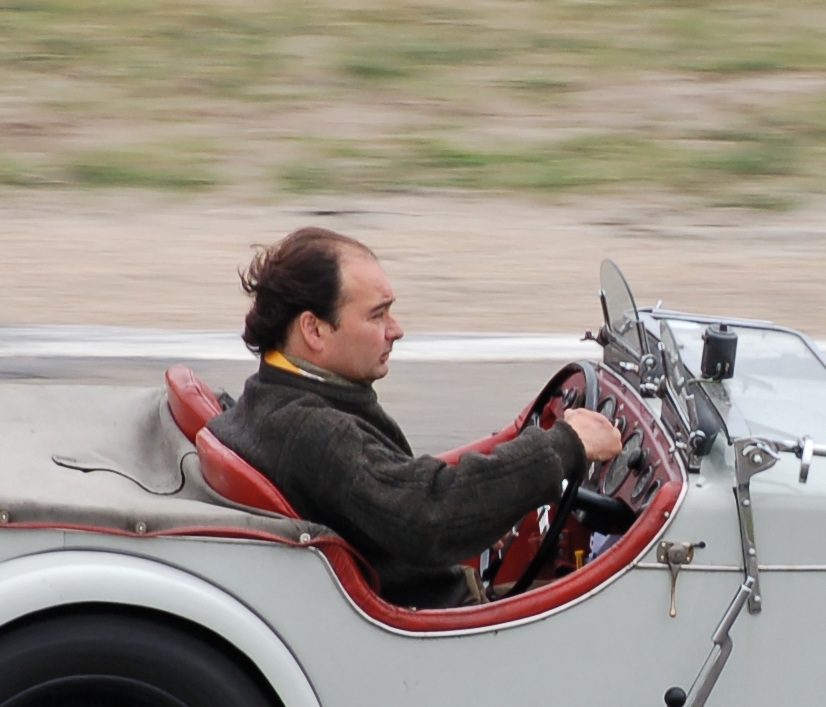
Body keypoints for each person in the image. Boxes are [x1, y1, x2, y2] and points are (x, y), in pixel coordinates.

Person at [210, 227, 624, 608]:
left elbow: (396, 491)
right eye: (377, 315)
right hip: (442, 626)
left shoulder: (272, 398)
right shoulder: (312, 431)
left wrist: (493, 508)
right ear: (314, 331)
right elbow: (429, 513)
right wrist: (567, 442)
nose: (397, 329)